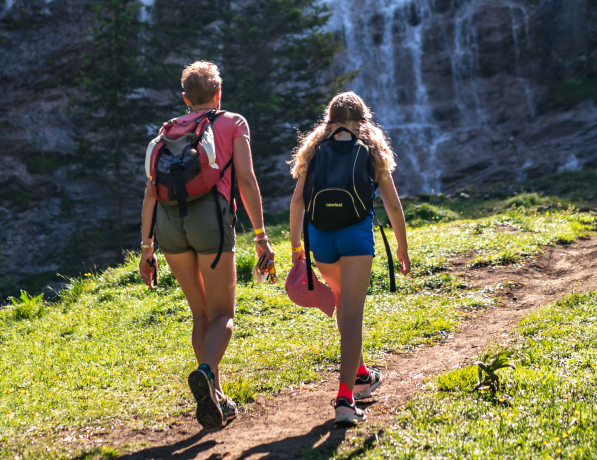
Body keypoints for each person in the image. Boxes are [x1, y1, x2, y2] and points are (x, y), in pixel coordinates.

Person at [139, 61, 274, 429]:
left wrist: (146, 248)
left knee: (201, 314)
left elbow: (151, 192)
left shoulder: (166, 132)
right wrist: (261, 236)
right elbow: (246, 180)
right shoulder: (234, 122)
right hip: (210, 221)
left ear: (185, 98)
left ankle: (216, 398)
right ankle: (206, 372)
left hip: (168, 226)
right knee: (223, 315)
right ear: (219, 92)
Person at [288, 91, 411, 427]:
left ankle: (360, 374)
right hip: (356, 238)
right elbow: (394, 206)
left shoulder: (315, 151)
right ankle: (345, 398)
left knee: (344, 302)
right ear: (363, 121)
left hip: (322, 240)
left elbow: (298, 201)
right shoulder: (370, 150)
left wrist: (297, 248)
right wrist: (401, 247)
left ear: (330, 119)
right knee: (353, 312)